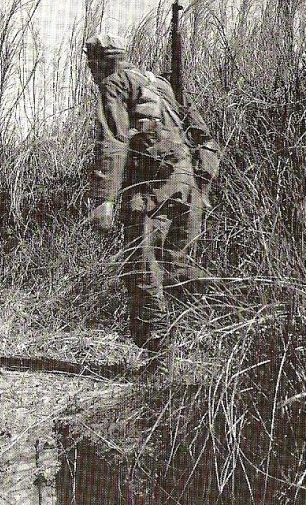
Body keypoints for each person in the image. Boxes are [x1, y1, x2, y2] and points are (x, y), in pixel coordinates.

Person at [84, 33, 219, 359]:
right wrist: (202, 186)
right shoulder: (160, 84)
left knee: (143, 271)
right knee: (175, 268)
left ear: (99, 61)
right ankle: (228, 305)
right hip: (187, 190)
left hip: (150, 193)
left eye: (91, 62)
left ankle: (161, 359)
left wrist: (105, 198)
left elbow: (113, 141)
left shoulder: (115, 84)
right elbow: (202, 136)